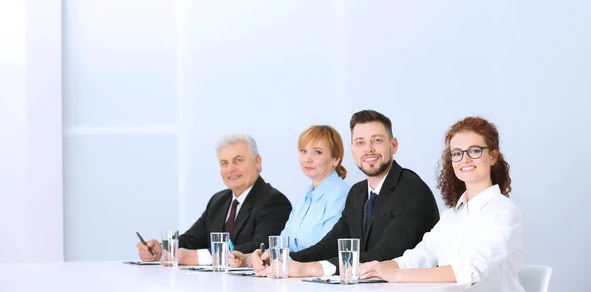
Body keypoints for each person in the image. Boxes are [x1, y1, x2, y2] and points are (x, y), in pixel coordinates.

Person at [256, 110, 440, 277]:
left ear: (393, 145)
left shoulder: (411, 189)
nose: (368, 149)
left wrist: (311, 269)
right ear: (352, 151)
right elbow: (329, 246)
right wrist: (281, 261)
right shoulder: (358, 193)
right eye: (360, 142)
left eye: (377, 140)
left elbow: (384, 255)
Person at [359, 117, 524, 292]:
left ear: (492, 156)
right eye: (457, 153)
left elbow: (470, 270)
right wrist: (375, 268)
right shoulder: (451, 216)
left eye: (474, 151)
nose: (465, 160)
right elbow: (419, 257)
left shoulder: (505, 213)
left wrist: (396, 275)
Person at [136, 133, 292, 265]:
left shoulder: (274, 201)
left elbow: (261, 249)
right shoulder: (218, 200)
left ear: (257, 161)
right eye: (224, 163)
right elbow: (192, 239)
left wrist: (196, 257)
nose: (230, 169)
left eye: (238, 160)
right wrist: (164, 249)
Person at [230, 125, 350, 267]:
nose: (307, 159)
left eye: (317, 152)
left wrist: (281, 260)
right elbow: (283, 243)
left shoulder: (340, 196)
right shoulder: (306, 198)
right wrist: (250, 258)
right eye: (303, 151)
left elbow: (325, 249)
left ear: (336, 159)